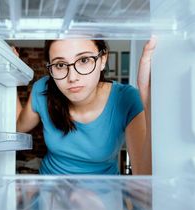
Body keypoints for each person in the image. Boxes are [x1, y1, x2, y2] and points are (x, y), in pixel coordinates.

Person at [16, 38, 156, 175]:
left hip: (101, 194)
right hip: (51, 191)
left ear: (103, 59)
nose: (72, 77)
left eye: (84, 60)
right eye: (60, 65)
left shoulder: (127, 99)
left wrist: (148, 105)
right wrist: (11, 76)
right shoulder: (42, 90)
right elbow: (17, 127)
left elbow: (144, 177)